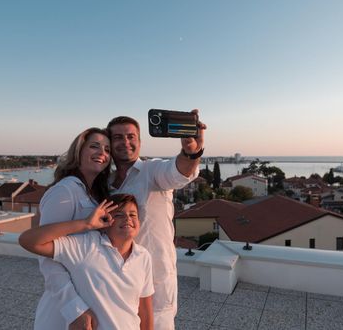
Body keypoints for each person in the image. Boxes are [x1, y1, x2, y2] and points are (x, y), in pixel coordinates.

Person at [107, 110, 205, 330]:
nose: (125, 141)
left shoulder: (152, 171)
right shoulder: (106, 183)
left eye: (131, 136)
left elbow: (179, 172)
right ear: (110, 144)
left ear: (139, 142)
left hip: (156, 280)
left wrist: (191, 152)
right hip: (116, 280)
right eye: (118, 137)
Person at [19, 194, 154, 330]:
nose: (127, 219)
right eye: (119, 215)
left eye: (133, 215)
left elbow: (145, 310)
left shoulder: (143, 257)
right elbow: (28, 241)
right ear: (105, 221)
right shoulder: (86, 247)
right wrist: (86, 223)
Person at [34, 127, 112, 329]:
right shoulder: (65, 191)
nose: (102, 153)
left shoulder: (94, 194)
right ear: (79, 151)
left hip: (92, 298)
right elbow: (46, 256)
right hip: (65, 309)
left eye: (107, 149)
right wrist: (73, 308)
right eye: (94, 146)